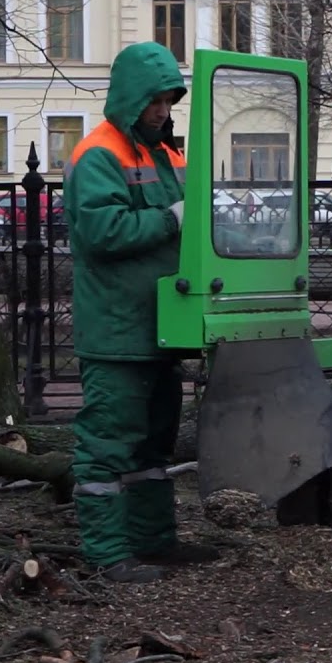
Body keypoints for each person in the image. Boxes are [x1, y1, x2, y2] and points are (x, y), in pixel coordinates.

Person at [63, 42, 218, 583]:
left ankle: (154, 543)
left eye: (170, 100)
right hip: (117, 331)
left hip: (161, 327)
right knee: (108, 445)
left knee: (154, 446)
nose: (164, 110)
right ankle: (108, 555)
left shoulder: (167, 156)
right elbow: (102, 233)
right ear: (133, 97)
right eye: (156, 100)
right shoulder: (98, 154)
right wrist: (174, 218)